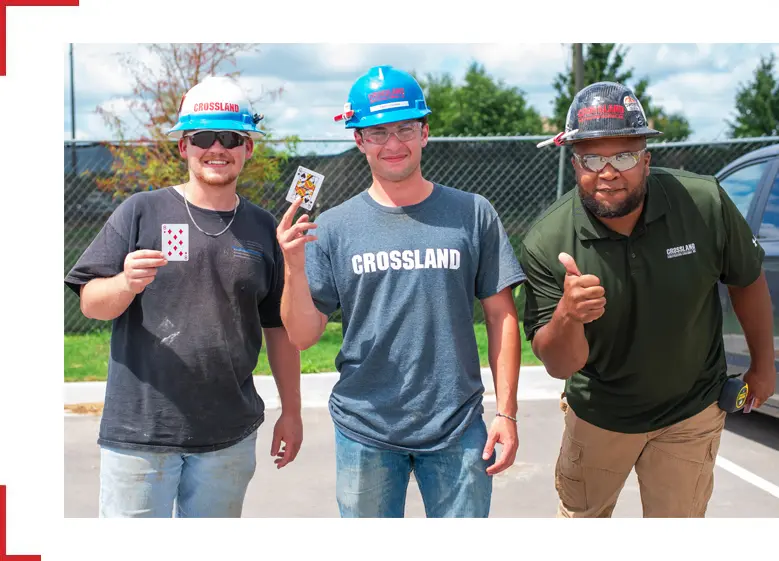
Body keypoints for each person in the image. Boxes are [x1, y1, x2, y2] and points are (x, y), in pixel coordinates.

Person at [276, 65, 526, 518]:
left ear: (425, 132)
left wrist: (506, 413)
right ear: (359, 140)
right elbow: (302, 335)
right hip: (364, 429)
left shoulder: (472, 213)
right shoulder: (332, 227)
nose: (393, 143)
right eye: (377, 132)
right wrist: (293, 267)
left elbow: (502, 316)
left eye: (405, 128)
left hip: (456, 426)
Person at [519, 81, 776, 518]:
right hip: (599, 416)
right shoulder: (547, 242)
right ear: (575, 163)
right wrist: (568, 315)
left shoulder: (703, 202)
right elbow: (561, 365)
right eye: (592, 158)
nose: (608, 172)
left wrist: (763, 366)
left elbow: (747, 280)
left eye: (624, 156)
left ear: (647, 159)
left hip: (691, 411)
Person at [64, 76, 303, 518]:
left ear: (248, 148)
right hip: (141, 433)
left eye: (230, 138)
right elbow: (91, 303)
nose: (217, 148)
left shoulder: (263, 227)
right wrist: (125, 283)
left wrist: (292, 411)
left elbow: (279, 329)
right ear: (183, 147)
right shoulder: (141, 210)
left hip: (228, 434)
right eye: (203, 138)